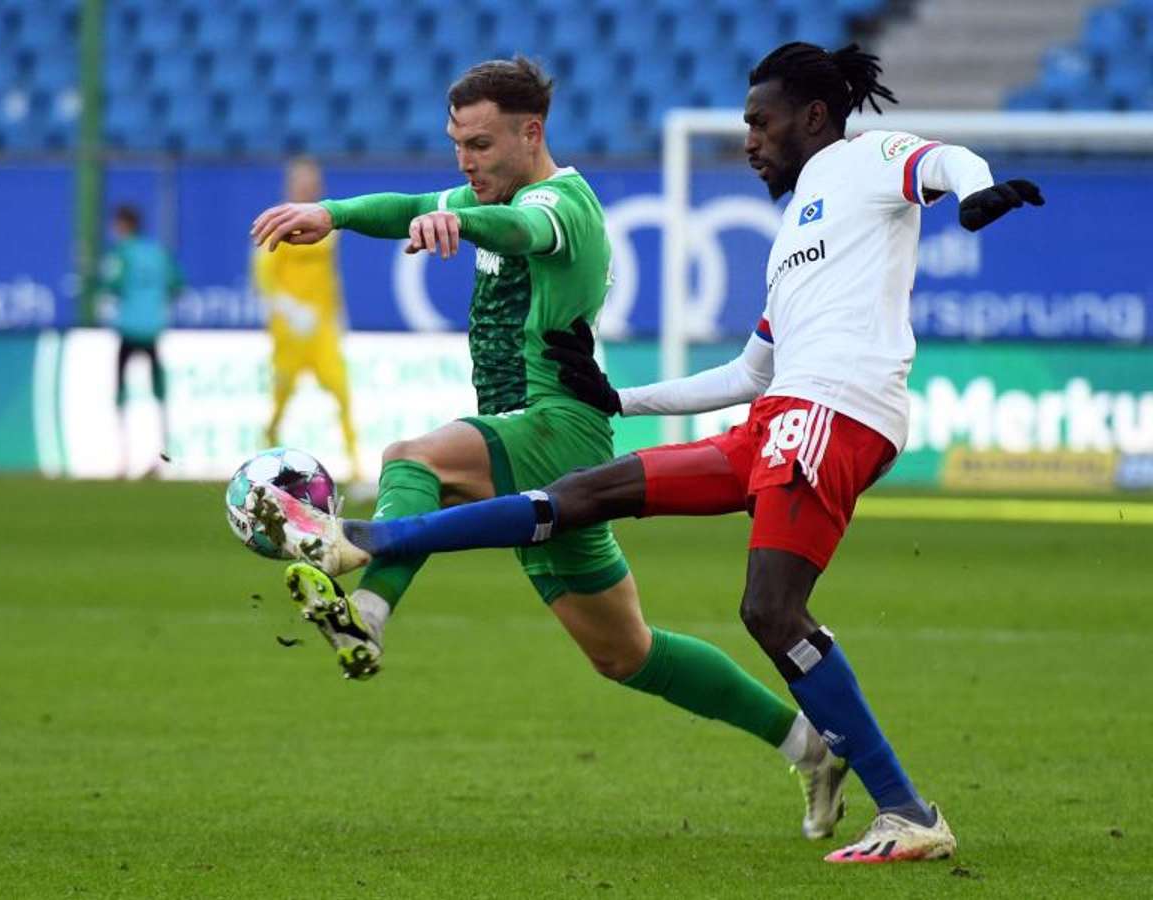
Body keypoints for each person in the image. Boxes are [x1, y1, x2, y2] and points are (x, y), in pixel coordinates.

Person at [247, 44, 1045, 863]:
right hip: (762, 418)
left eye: (760, 122)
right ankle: (807, 743)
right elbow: (747, 370)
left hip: (777, 416)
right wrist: (621, 398)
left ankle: (368, 574)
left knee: (420, 461)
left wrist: (978, 191)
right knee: (618, 632)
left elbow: (940, 159)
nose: (747, 139)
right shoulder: (795, 234)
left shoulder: (845, 162)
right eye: (743, 124)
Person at [253, 157, 361, 480]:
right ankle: (265, 454)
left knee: (341, 391)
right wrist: (288, 309)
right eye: (303, 181)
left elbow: (331, 274)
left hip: (323, 328)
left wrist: (341, 316)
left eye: (313, 181)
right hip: (289, 331)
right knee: (281, 398)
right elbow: (263, 274)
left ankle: (356, 470)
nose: (309, 187)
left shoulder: (326, 224)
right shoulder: (280, 221)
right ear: (290, 185)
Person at [100, 204, 184, 476]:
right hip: (153, 328)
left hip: (129, 329)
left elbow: (111, 284)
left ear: (123, 226)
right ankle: (162, 457)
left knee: (121, 391)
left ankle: (122, 459)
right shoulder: (159, 252)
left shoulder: (121, 253)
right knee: (159, 393)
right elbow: (177, 284)